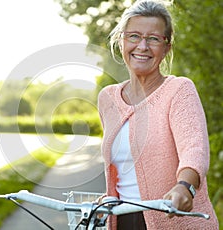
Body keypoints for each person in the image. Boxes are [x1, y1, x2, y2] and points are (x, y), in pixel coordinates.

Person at [97, 0, 219, 229]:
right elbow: (123, 168)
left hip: (175, 220)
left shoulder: (178, 90)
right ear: (122, 40)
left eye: (153, 39)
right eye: (134, 36)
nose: (142, 46)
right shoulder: (108, 98)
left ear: (166, 48)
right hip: (122, 220)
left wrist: (185, 186)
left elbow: (194, 149)